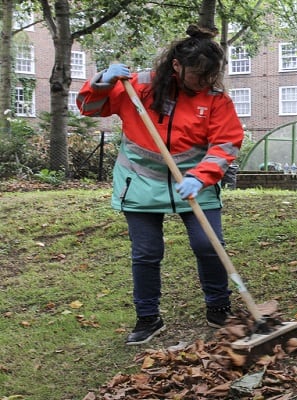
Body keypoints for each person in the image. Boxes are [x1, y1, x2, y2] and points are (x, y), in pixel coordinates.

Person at [76, 25, 244, 345]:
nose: (206, 83)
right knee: (146, 253)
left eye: (212, 76)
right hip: (139, 183)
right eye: (198, 76)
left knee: (209, 245)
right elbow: (89, 108)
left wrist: (201, 176)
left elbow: (227, 142)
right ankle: (148, 317)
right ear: (177, 67)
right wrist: (100, 82)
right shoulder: (137, 86)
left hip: (195, 182)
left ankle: (219, 308)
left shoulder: (215, 98)